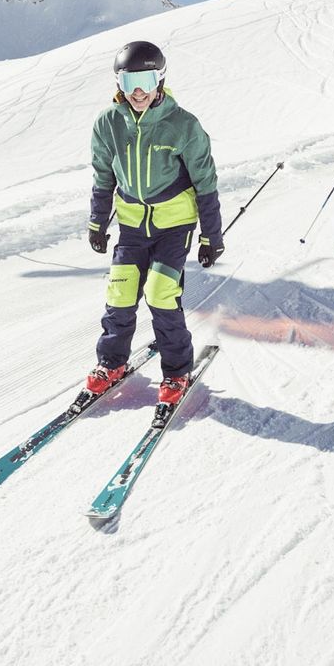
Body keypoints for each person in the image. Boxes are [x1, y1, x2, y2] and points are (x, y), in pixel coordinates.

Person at [86, 40, 223, 416]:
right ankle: (112, 361)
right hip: (131, 224)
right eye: (130, 82)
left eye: (146, 79)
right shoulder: (108, 124)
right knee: (119, 292)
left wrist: (212, 236)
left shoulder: (183, 125)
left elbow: (206, 182)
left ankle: (176, 370)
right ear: (119, 85)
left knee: (162, 293)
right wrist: (98, 222)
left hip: (172, 225)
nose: (139, 91)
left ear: (160, 78)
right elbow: (102, 176)